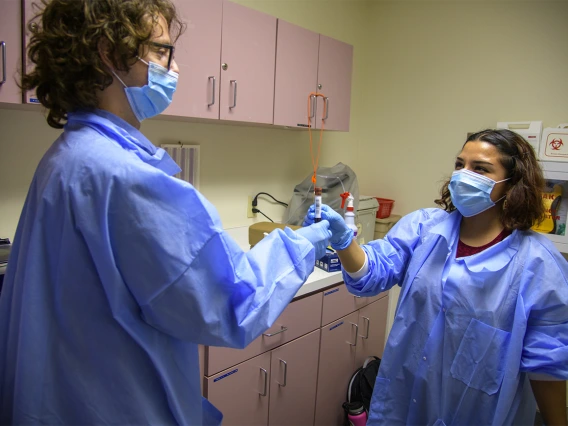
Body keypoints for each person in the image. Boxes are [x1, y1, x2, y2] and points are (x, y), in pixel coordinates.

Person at [0, 1, 332, 424]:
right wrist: (307, 238)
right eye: (160, 51)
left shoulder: (67, 158)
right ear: (109, 52)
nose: (172, 68)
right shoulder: (124, 177)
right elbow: (232, 303)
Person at [305, 129, 568, 425]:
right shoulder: (424, 229)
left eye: (480, 169)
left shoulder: (538, 264)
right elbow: (371, 274)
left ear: (511, 184)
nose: (463, 175)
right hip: (404, 403)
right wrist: (343, 242)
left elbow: (548, 367)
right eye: (460, 165)